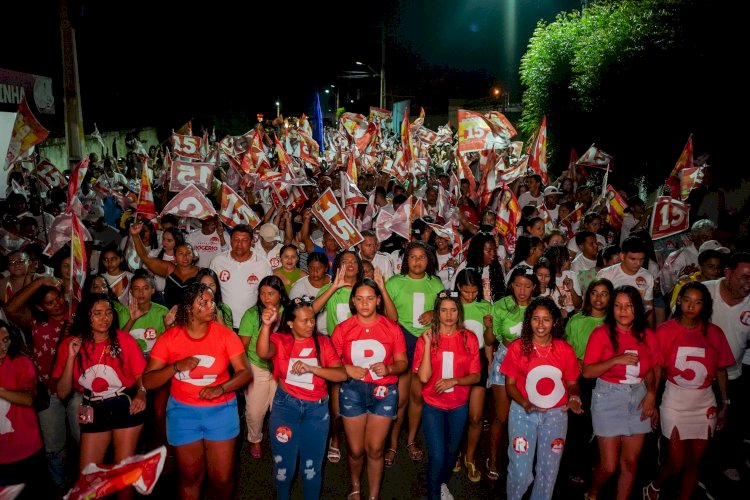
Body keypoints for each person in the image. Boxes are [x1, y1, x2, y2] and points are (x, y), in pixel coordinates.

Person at [143, 283, 252, 500]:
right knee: (190, 476)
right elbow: (148, 380)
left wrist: (221, 388)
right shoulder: (170, 338)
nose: (212, 306)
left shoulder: (225, 335)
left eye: (213, 301)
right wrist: (175, 367)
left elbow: (245, 373)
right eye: (204, 302)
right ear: (188, 308)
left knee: (221, 478)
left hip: (221, 410)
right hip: (183, 413)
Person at [643, 282, 733, 500]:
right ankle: (655, 485)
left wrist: (725, 404)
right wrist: (652, 400)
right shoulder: (665, 331)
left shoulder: (714, 333)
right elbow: (655, 368)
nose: (691, 306)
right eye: (687, 300)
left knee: (694, 462)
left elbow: (721, 370)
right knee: (676, 461)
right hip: (675, 399)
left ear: (705, 306)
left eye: (698, 302)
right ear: (679, 301)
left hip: (704, 403)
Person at [52, 294, 147, 500]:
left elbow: (141, 376)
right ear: (87, 316)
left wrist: (142, 393)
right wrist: (70, 357)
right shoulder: (72, 344)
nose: (105, 318)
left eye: (109, 313)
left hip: (125, 403)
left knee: (124, 476)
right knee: (87, 478)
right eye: (98, 314)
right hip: (92, 407)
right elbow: (62, 392)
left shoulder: (124, 339)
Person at [256, 298, 347, 500]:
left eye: (312, 320)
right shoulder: (281, 340)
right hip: (285, 408)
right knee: (283, 467)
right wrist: (266, 325)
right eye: (304, 321)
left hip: (316, 411)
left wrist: (313, 369)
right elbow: (262, 352)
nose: (311, 325)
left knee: (312, 468)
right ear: (290, 323)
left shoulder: (322, 342)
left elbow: (340, 374)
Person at [331, 279, 408, 500]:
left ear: (378, 300)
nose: (365, 303)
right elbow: (330, 362)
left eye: (370, 298)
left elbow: (403, 363)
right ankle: (355, 486)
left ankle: (373, 496)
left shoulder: (391, 328)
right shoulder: (342, 329)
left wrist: (389, 367)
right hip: (352, 391)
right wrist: (346, 368)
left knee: (375, 449)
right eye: (360, 298)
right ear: (353, 302)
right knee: (355, 450)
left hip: (383, 392)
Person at [502, 296, 582, 500]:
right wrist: (525, 403)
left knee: (548, 474)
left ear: (555, 322)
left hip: (555, 416)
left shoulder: (564, 350)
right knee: (521, 474)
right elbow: (510, 386)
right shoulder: (517, 348)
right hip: (523, 413)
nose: (540, 324)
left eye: (546, 319)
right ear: (528, 321)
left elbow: (573, 383)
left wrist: (574, 398)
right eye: (536, 318)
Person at [583, 285, 659, 500]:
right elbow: (587, 372)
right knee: (608, 465)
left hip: (639, 396)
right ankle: (592, 493)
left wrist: (651, 395)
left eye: (628, 306)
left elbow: (651, 369)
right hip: (608, 396)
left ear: (637, 308)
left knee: (631, 463)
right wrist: (615, 359)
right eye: (617, 305)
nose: (623, 311)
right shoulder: (601, 333)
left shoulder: (647, 335)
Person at [4, 277, 77, 487]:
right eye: (50, 302)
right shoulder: (35, 320)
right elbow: (10, 308)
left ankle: (86, 479)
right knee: (54, 445)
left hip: (77, 390)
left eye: (58, 298)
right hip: (47, 393)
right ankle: (60, 485)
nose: (58, 304)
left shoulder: (75, 314)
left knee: (84, 437)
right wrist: (40, 282)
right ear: (39, 306)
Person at [414, 291, 480, 500]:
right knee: (437, 455)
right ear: (437, 313)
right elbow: (423, 378)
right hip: (433, 405)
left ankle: (440, 483)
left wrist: (455, 381)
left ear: (459, 312)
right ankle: (433, 494)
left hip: (459, 405)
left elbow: (476, 375)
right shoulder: (426, 338)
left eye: (453, 310)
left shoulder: (469, 338)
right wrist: (426, 346)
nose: (448, 315)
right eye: (443, 310)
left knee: (451, 455)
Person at [385, 241, 445, 467]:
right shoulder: (394, 283)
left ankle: (410, 441)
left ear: (428, 260)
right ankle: (391, 443)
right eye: (413, 257)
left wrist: (434, 312)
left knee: (417, 397)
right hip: (401, 340)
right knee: (399, 399)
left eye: (422, 257)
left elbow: (448, 310)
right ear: (405, 260)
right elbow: (385, 315)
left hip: (425, 344)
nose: (418, 261)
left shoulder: (436, 283)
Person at [485, 266, 538, 481]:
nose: (522, 290)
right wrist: (488, 327)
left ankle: (523, 459)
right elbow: (490, 341)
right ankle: (493, 457)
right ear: (511, 285)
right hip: (505, 360)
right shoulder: (500, 306)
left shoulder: (540, 307)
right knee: (502, 415)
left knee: (529, 415)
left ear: (534, 286)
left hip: (532, 363)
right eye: (517, 285)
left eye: (527, 286)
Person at [702, 252, 750, 481]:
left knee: (729, 424)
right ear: (728, 273)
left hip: (733, 374)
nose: (748, 284)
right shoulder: (704, 292)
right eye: (744, 277)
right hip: (699, 376)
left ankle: (727, 462)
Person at [561, 278, 614, 485]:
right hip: (580, 379)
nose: (598, 298)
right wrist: (577, 361)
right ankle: (574, 465)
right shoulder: (577, 320)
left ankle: (597, 461)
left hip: (607, 379)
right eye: (594, 292)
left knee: (600, 424)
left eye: (604, 293)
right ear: (588, 295)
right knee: (578, 425)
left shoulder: (613, 323)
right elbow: (565, 350)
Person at [238, 275, 289, 460]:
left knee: (279, 409)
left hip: (280, 367)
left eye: (271, 293)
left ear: (280, 295)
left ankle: (281, 440)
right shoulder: (252, 315)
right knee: (254, 410)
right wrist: (245, 372)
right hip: (256, 366)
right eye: (262, 293)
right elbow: (241, 347)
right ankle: (255, 439)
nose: (266, 297)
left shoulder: (288, 313)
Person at [0, 320, 48, 497]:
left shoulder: (21, 363)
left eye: (6, 340)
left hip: (27, 450)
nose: (2, 346)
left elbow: (27, 398)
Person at [453, 269, 493, 482]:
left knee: (476, 416)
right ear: (458, 288)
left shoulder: (485, 307)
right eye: (466, 291)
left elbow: (488, 341)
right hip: (456, 363)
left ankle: (470, 457)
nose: (470, 295)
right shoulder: (452, 307)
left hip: (478, 361)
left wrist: (490, 365)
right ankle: (456, 453)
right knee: (457, 414)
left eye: (474, 291)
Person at [209, 224, 273, 330]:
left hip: (251, 324)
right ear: (230, 240)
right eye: (236, 239)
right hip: (222, 322)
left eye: (244, 240)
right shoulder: (218, 261)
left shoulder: (263, 264)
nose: (239, 244)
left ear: (252, 241)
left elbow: (269, 293)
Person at [130, 221, 200, 310]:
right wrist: (135, 236)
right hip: (170, 314)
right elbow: (145, 258)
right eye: (181, 253)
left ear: (193, 256)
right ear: (176, 255)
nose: (185, 257)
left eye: (188, 253)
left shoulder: (201, 272)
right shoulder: (170, 268)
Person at [597, 237, 655, 328]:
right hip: (609, 326)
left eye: (641, 259)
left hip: (635, 327)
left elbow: (649, 306)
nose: (638, 263)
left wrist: (650, 331)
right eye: (633, 259)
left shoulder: (647, 276)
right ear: (622, 256)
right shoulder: (605, 275)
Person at [289, 252, 331, 336]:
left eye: (319, 268)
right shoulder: (299, 286)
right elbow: (292, 313)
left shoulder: (334, 284)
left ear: (326, 268)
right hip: (309, 334)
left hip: (333, 333)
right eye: (311, 268)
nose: (315, 272)